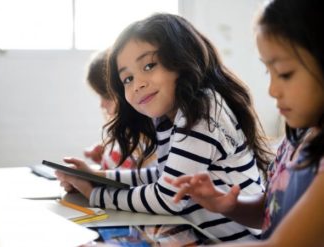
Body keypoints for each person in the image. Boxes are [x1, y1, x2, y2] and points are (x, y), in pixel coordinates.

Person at [56, 13, 272, 242]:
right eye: (127, 79)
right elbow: (164, 176)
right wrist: (97, 176)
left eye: (149, 66)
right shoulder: (171, 117)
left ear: (182, 59)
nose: (138, 83)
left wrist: (95, 194)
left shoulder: (201, 109)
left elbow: (168, 198)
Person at [166, 0, 324, 246]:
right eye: (267, 72)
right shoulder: (296, 139)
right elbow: (271, 209)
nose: (272, 90)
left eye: (284, 73)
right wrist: (227, 204)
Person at [83, 49, 156, 170]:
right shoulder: (125, 136)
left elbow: (128, 181)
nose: (101, 105)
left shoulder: (147, 146)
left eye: (106, 96)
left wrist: (91, 179)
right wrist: (105, 155)